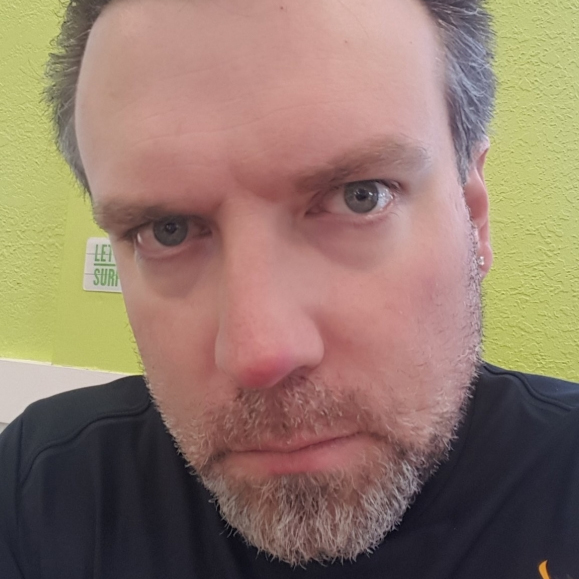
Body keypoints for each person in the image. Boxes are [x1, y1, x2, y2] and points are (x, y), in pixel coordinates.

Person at [1, 0, 578, 577]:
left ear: (473, 216)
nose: (260, 354)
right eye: (165, 230)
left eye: (360, 197)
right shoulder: (41, 491)